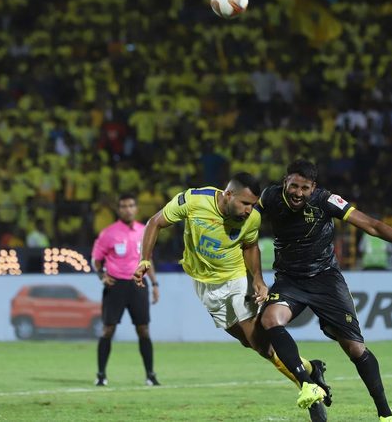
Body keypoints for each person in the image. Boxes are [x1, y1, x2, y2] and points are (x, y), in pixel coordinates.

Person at [133, 172, 330, 421]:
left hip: (236, 280)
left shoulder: (252, 218)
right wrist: (145, 260)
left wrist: (257, 279)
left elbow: (250, 246)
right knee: (253, 344)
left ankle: (308, 388)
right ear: (228, 194)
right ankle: (312, 367)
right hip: (204, 285)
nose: (249, 210)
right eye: (245, 203)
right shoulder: (193, 200)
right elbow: (155, 222)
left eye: (252, 204)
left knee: (262, 346)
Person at [256, 160, 392, 422]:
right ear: (285, 181)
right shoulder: (269, 197)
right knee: (269, 319)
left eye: (304, 188)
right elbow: (246, 222)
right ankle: (307, 384)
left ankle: (386, 414)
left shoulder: (326, 201)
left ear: (313, 187)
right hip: (289, 280)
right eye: (294, 186)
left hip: (326, 280)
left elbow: (372, 225)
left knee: (355, 349)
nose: (298, 193)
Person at [91, 194, 160, 386]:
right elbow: (96, 259)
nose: (127, 209)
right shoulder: (108, 233)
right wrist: (101, 275)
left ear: (136, 208)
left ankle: (150, 375)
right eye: (123, 206)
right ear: (118, 209)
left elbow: (148, 260)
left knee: (143, 330)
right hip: (116, 285)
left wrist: (155, 284)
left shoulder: (144, 231)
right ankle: (101, 375)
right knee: (108, 330)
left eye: (130, 206)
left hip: (138, 284)